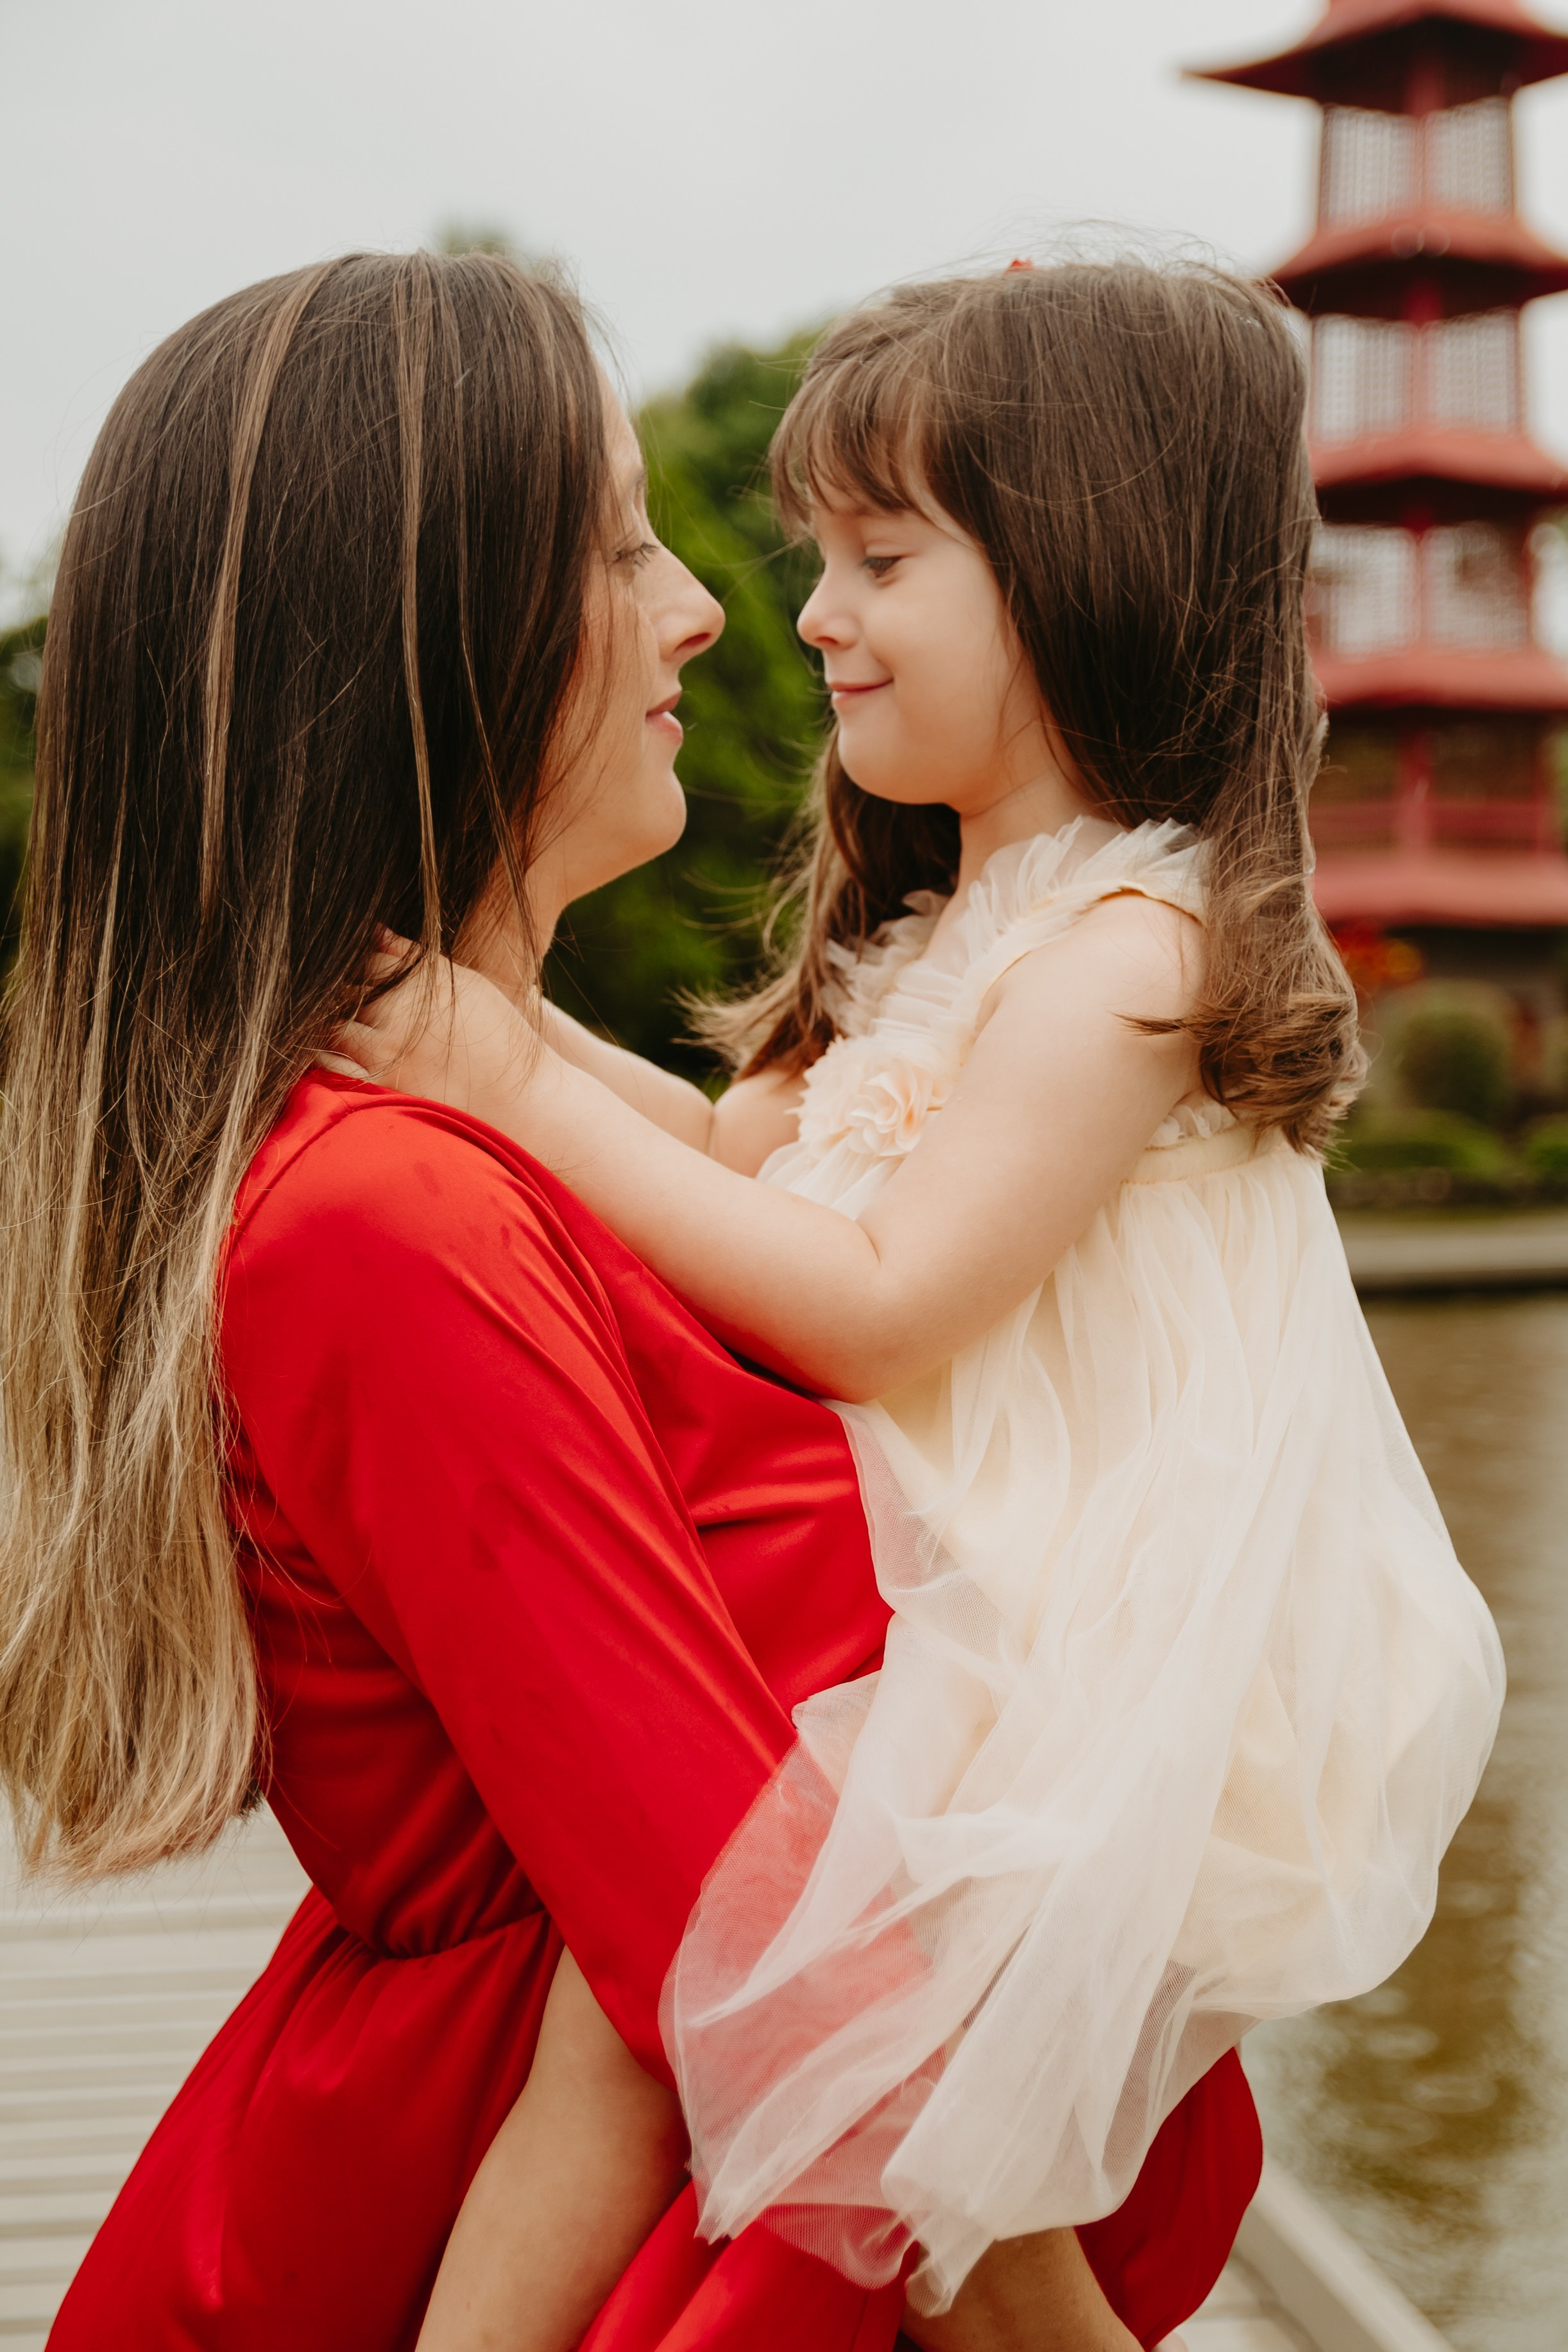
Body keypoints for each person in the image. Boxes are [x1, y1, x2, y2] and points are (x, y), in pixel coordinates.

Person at [0, 249, 1257, 2352]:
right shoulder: (388, 1216)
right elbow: (734, 1926)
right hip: (579, 2221)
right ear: (433, 636)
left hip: (663, 2170)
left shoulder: (468, 1140)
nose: (705, 608)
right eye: (616, 544)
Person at [346, 259, 1506, 2342]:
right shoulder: (946, 932)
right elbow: (730, 1178)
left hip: (1069, 1659)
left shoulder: (1137, 949)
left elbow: (877, 1304)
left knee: (732, 2064)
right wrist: (483, 1015)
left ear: (1079, 575)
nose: (808, 612)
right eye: (822, 555)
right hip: (908, 1614)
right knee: (858, 2157)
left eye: (880, 556)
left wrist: (496, 1063)